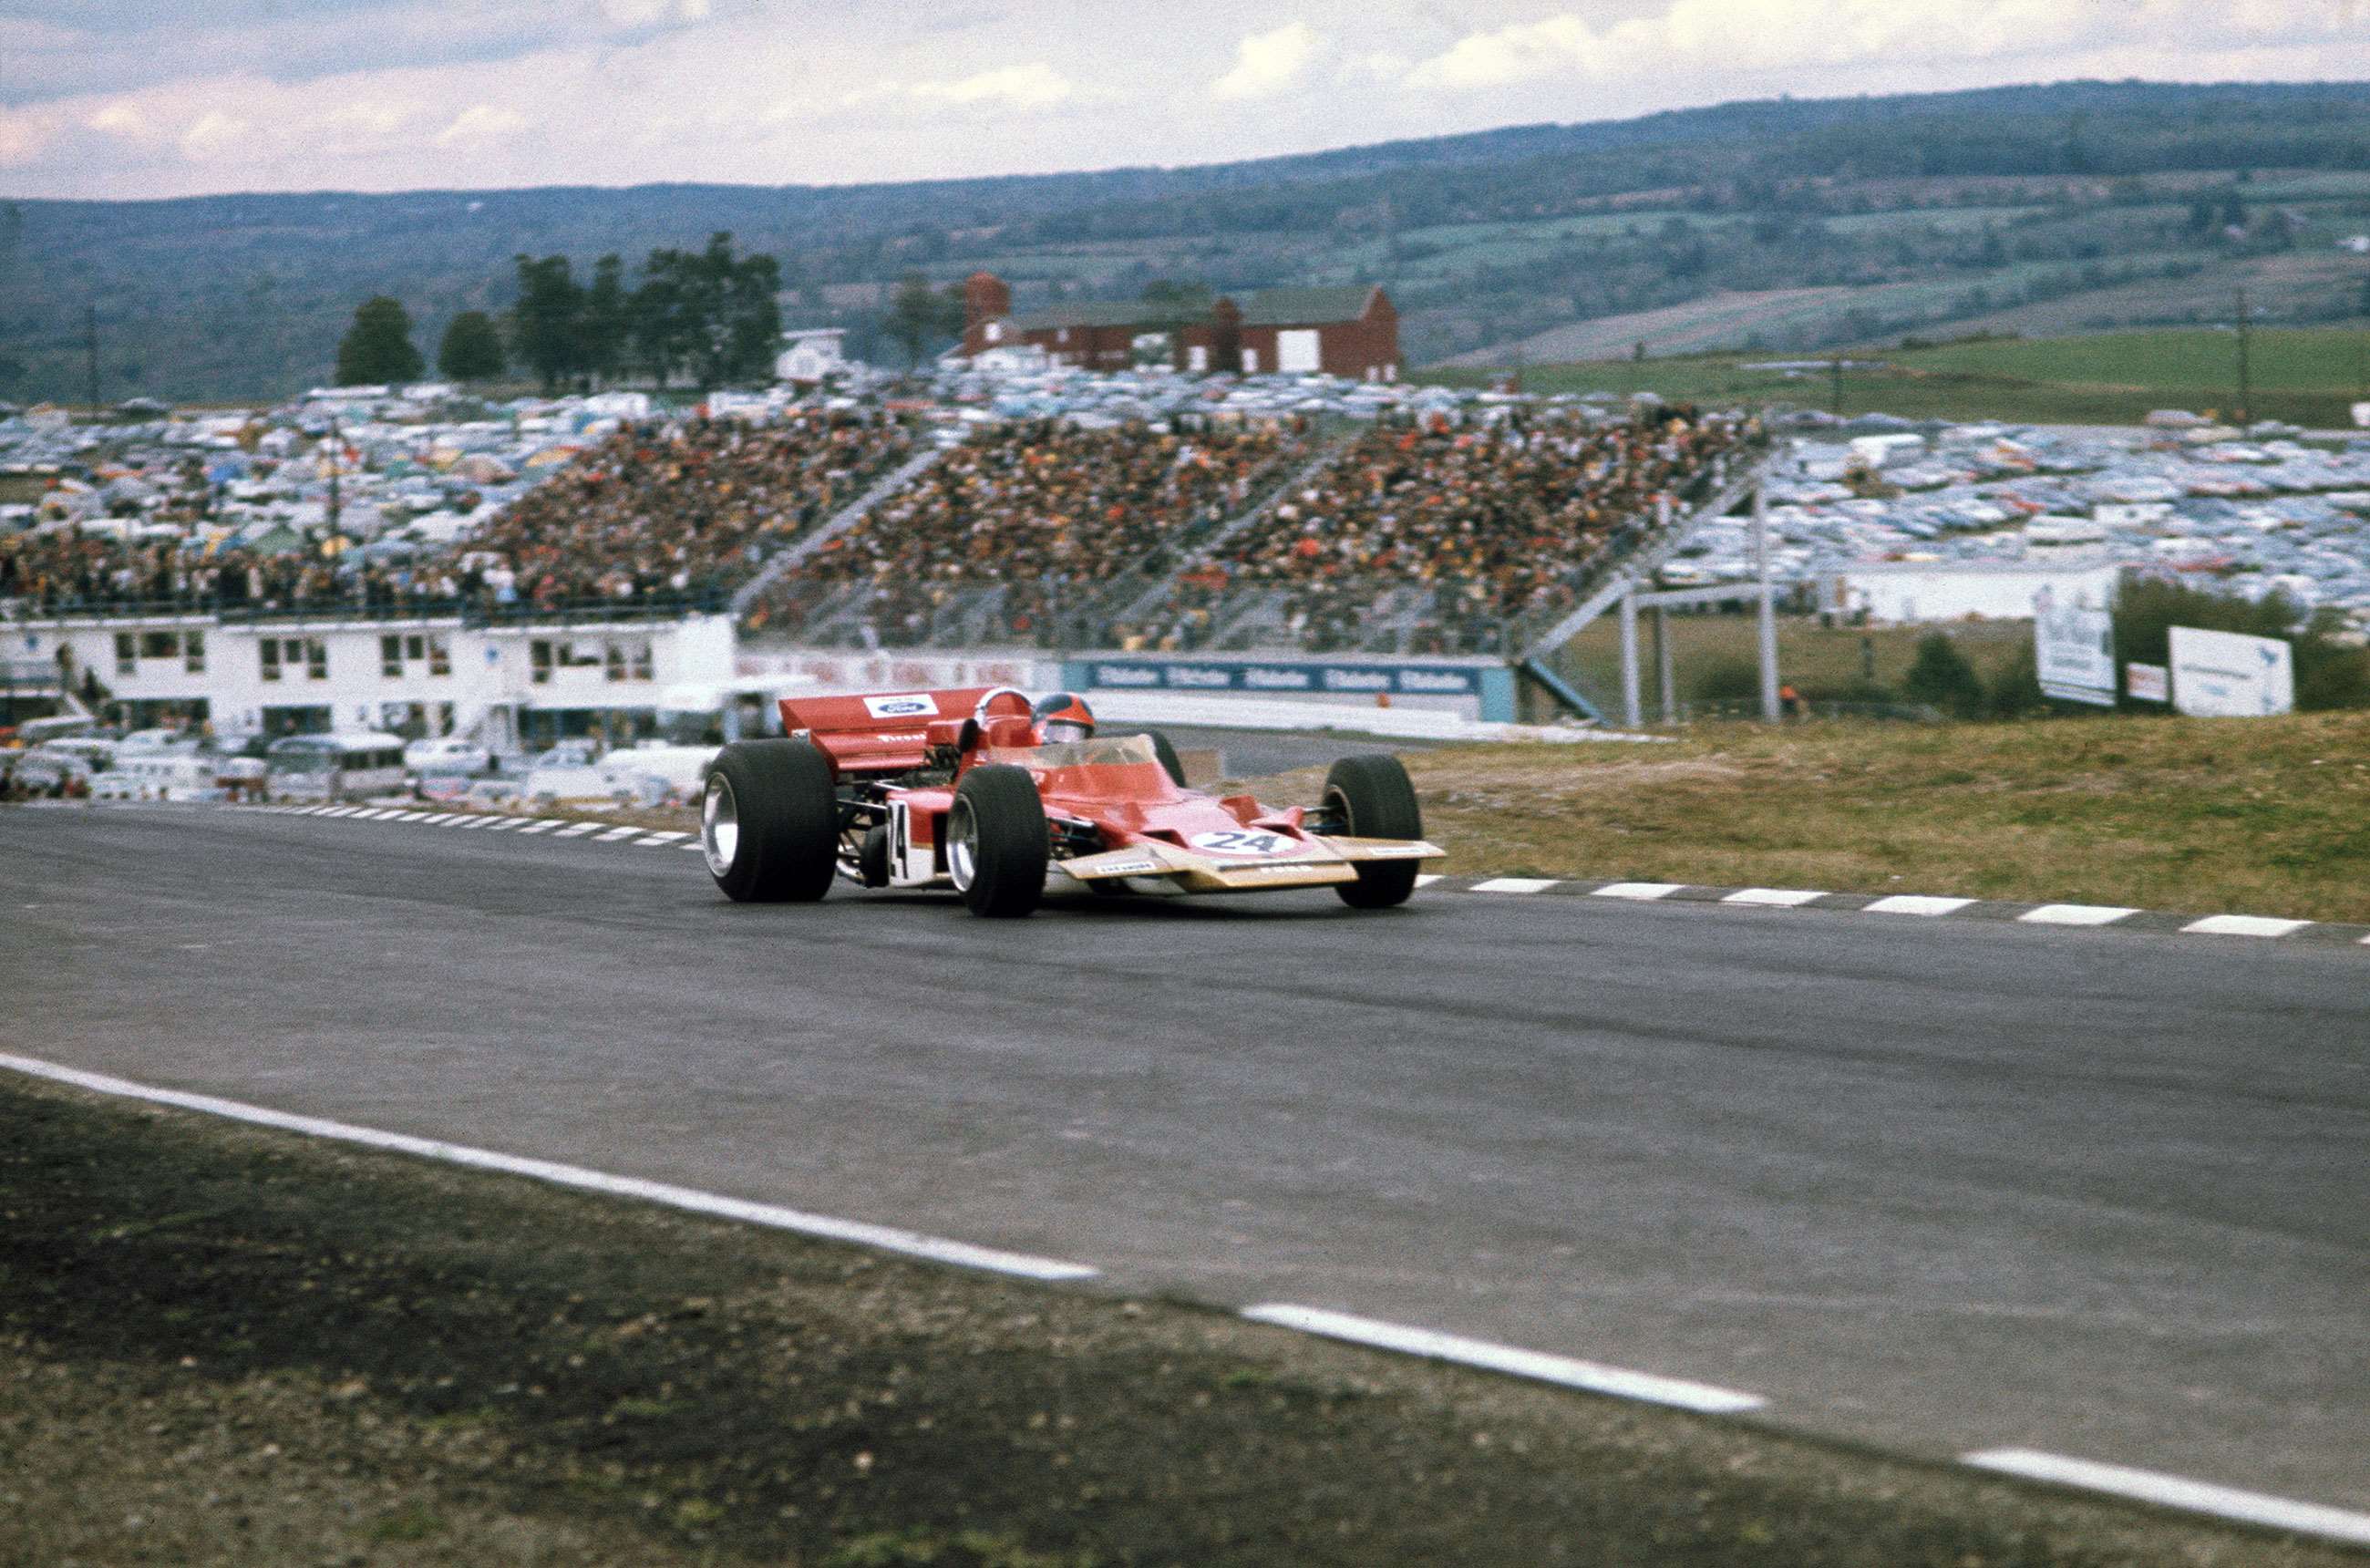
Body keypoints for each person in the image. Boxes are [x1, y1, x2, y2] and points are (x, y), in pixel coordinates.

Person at [1029, 692, 1095, 746]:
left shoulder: (1089, 760)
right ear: (1039, 730)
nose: (1069, 740)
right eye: (1062, 732)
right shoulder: (1022, 760)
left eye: (1077, 735)